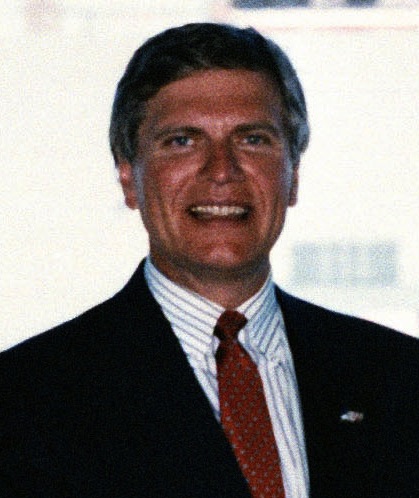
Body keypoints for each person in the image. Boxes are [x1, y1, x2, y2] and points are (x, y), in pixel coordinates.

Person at [1, 23, 418, 498]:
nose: (222, 170)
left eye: (253, 139)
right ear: (128, 177)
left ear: (293, 175)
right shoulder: (26, 403)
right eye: (183, 141)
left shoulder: (400, 381)